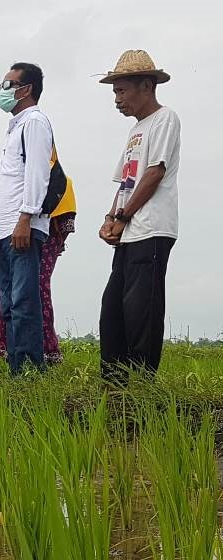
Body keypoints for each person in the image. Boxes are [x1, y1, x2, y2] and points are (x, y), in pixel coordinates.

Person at [97, 50, 180, 384]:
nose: (117, 100)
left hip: (152, 228)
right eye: (114, 92)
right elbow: (126, 181)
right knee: (113, 308)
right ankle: (114, 381)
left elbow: (153, 173)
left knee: (141, 310)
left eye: (121, 91)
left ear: (147, 85)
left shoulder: (165, 119)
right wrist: (110, 216)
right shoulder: (136, 131)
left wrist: (122, 216)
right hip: (131, 230)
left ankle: (142, 384)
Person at [0, 62, 56, 375]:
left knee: (23, 302)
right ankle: (17, 369)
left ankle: (30, 370)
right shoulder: (16, 127)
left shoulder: (35, 123)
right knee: (9, 305)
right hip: (4, 229)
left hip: (21, 226)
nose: (3, 91)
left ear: (25, 89)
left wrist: (25, 218)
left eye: (8, 84)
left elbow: (38, 174)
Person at [0, 179, 76, 363]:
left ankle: (41, 354)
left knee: (35, 288)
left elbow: (63, 224)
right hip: (18, 228)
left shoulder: (57, 178)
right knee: (6, 288)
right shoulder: (16, 176)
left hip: (44, 225)